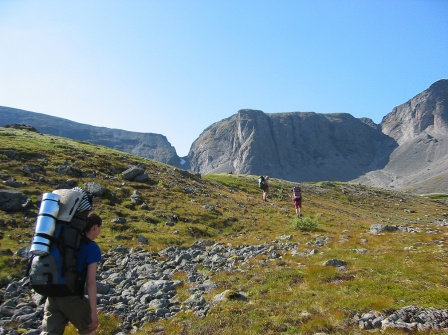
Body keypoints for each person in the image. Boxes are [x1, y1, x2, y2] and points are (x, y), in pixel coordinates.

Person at [41, 213, 103, 335]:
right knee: (89, 329)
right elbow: (90, 282)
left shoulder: (64, 242)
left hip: (52, 294)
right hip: (72, 296)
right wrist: (93, 313)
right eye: (100, 229)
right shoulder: (91, 247)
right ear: (95, 227)